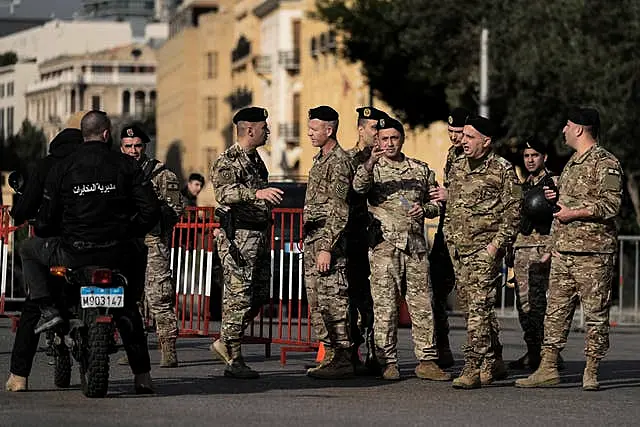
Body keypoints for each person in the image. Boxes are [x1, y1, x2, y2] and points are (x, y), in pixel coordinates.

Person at [12, 110, 159, 393]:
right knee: (129, 307)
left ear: (84, 135)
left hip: (73, 253)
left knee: (29, 249)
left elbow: (45, 220)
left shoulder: (62, 167)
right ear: (107, 135)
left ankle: (46, 306)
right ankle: (142, 376)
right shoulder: (125, 165)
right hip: (116, 253)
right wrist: (130, 231)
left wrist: (51, 229)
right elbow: (150, 210)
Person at [516, 107, 622, 391]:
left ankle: (591, 370)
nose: (563, 130)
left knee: (595, 315)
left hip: (593, 253)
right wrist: (556, 198)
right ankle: (548, 367)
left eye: (567, 125)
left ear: (579, 129)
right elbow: (566, 204)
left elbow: (610, 205)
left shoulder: (606, 162)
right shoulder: (573, 163)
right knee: (556, 311)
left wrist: (573, 213)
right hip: (564, 250)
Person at [353, 115, 451, 381]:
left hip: (416, 247)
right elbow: (358, 187)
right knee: (386, 307)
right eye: (384, 139)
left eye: (394, 138)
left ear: (402, 139)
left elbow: (436, 204)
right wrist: (371, 160)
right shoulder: (371, 168)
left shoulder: (420, 169)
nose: (389, 143)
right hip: (385, 246)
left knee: (423, 305)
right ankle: (387, 361)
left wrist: (426, 209)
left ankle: (427, 360)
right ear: (377, 140)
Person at [444, 115, 521, 389]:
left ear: (486, 142)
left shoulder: (502, 170)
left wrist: (495, 246)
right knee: (473, 309)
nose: (463, 141)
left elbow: (513, 212)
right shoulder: (457, 166)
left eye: (470, 137)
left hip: (483, 250)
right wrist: (449, 238)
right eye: (463, 136)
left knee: (478, 308)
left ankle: (472, 366)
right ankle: (494, 358)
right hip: (459, 250)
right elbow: (453, 205)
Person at [5, 127, 83, 392]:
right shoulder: (91, 165)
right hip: (92, 247)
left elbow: (23, 209)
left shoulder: (47, 166)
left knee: (32, 306)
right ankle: (142, 373)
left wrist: (21, 211)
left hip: (52, 245)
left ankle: (19, 376)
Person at [209, 106, 282, 379]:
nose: (268, 131)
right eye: (264, 127)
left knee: (259, 294)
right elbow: (224, 192)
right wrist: (257, 193)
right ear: (250, 129)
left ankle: (225, 340)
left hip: (259, 236)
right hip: (239, 237)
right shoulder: (227, 160)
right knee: (238, 297)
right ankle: (234, 357)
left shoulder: (255, 159)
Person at [120, 124, 184, 368]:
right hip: (125, 242)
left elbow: (175, 209)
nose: (133, 151)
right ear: (121, 147)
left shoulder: (160, 174)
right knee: (129, 299)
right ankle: (133, 348)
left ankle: (168, 347)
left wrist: (150, 216)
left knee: (159, 296)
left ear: (144, 147)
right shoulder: (116, 171)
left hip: (152, 241)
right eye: (128, 146)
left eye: (137, 146)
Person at [303, 105, 354, 379]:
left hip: (328, 243)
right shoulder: (319, 159)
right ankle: (332, 354)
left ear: (329, 130)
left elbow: (339, 208)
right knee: (317, 302)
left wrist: (326, 247)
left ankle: (344, 357)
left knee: (334, 300)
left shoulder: (339, 162)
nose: (309, 133)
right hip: (312, 240)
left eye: (314, 129)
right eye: (309, 128)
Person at [343, 106, 387, 373]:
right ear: (361, 130)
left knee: (372, 297)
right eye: (374, 128)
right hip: (353, 235)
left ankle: (375, 351)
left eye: (381, 129)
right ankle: (350, 352)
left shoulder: (386, 159)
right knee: (349, 296)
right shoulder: (348, 159)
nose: (378, 134)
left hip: (377, 239)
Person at [508, 137, 556, 370]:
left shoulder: (554, 183)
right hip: (521, 250)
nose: (529, 160)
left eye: (534, 155)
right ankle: (533, 351)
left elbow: (561, 217)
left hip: (542, 249)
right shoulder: (521, 186)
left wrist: (552, 249)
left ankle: (549, 356)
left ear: (544, 157)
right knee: (524, 305)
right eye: (526, 156)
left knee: (541, 305)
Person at [428, 107, 470, 368]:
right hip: (447, 232)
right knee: (436, 291)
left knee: (472, 300)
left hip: (468, 236)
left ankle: (488, 354)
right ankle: (442, 346)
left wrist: (450, 196)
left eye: (459, 132)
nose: (455, 137)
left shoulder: (481, 158)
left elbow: (482, 198)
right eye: (451, 132)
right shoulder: (452, 155)